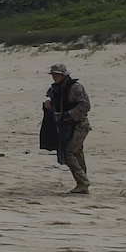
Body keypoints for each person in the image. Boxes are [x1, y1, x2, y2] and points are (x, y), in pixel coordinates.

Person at [43, 63, 92, 194]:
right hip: (66, 125)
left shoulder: (76, 88)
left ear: (64, 75)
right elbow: (57, 103)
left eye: (57, 74)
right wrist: (49, 105)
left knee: (68, 153)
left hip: (79, 124)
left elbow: (85, 106)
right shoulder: (55, 89)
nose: (54, 77)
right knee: (77, 153)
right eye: (53, 74)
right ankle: (83, 184)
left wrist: (68, 115)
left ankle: (83, 182)